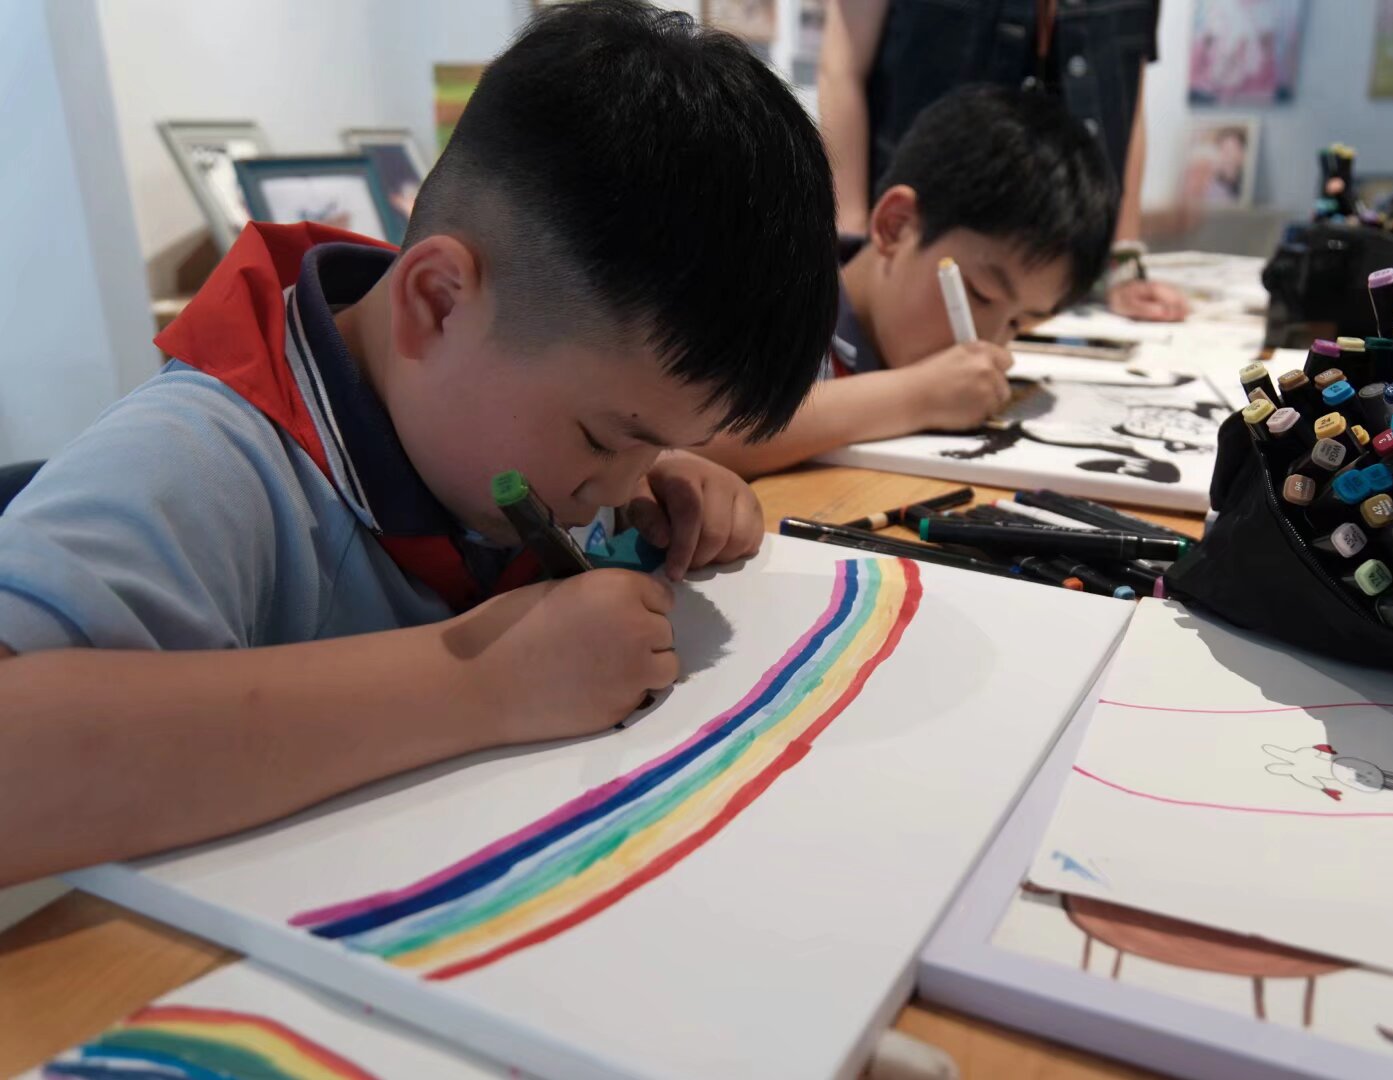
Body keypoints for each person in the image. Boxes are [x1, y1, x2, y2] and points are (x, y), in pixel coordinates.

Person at [0, 0, 839, 887]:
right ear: (436, 301)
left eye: (659, 446)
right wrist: (482, 682)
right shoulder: (198, 465)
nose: (610, 488)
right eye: (603, 439)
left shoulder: (483, 409)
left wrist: (669, 483)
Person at [699, 85, 1114, 478]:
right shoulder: (772, 294)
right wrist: (917, 396)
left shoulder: (897, 341)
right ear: (896, 226)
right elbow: (702, 432)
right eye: (979, 295)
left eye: (1019, 323)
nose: (990, 342)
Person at [818, 0, 1188, 323]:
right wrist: (851, 239)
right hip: (923, 257)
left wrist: (1122, 258)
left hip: (1061, 284)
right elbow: (842, 68)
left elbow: (1125, 98)